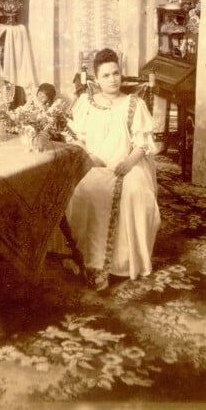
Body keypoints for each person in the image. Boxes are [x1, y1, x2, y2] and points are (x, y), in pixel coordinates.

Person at [64, 47, 160, 290]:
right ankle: (90, 260)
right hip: (94, 162)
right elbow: (76, 138)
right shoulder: (86, 103)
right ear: (96, 79)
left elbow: (143, 144)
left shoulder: (132, 104)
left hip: (127, 163)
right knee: (85, 190)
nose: (113, 79)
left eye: (116, 73)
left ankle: (124, 262)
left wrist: (128, 163)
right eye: (106, 75)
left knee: (135, 191)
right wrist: (90, 157)